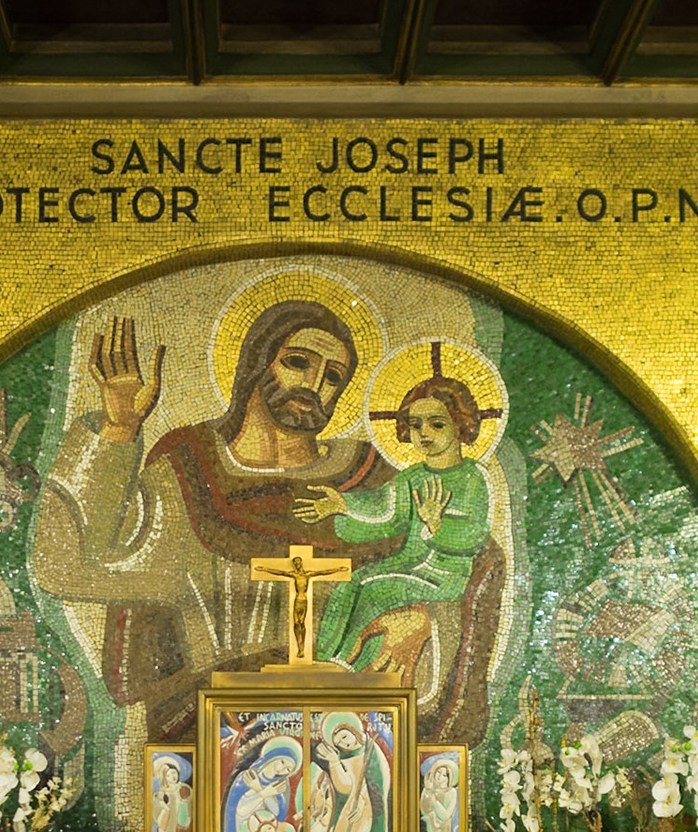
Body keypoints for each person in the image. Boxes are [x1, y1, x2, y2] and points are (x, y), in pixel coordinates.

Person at [32, 301, 502, 743]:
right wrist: (117, 430)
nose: (315, 385)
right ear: (258, 362)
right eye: (298, 362)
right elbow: (70, 564)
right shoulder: (191, 469)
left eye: (333, 377)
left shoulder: (365, 474)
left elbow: (465, 559)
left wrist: (423, 618)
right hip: (215, 731)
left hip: (352, 729)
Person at [298, 376, 492, 673]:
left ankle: (354, 668)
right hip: (407, 564)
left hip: (445, 576)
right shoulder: (412, 477)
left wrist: (437, 525)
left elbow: (475, 535)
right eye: (416, 425)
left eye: (436, 424)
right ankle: (323, 662)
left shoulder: (472, 478)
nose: (424, 433)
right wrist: (343, 505)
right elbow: (384, 511)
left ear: (459, 425)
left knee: (379, 591)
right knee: (352, 582)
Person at [309, 713, 390, 832]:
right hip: (348, 812)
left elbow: (381, 781)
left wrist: (362, 800)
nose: (344, 745)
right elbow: (345, 788)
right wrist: (334, 762)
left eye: (344, 737)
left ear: (353, 731)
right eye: (339, 744)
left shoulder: (373, 751)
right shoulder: (343, 758)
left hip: (370, 814)